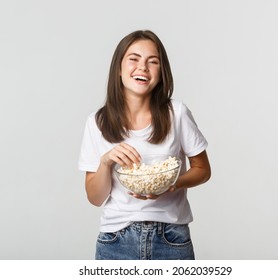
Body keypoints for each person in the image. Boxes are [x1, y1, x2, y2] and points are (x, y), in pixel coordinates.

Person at [78, 30, 211, 260]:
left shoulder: (176, 113)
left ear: (162, 72)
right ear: (119, 68)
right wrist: (106, 161)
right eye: (134, 59)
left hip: (171, 237)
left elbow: (203, 170)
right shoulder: (97, 122)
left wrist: (172, 184)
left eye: (153, 61)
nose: (143, 67)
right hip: (116, 239)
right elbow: (95, 198)